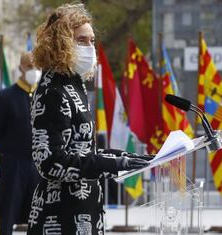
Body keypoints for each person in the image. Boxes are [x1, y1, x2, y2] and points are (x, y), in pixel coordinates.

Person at [28, 4, 152, 234]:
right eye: (82, 40)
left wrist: (131, 159)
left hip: (85, 212)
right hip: (60, 216)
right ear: (60, 45)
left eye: (92, 40)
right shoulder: (52, 91)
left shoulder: (74, 85)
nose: (90, 47)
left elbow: (85, 152)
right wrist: (112, 165)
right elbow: (49, 162)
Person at [0, 52, 41, 235]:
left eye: (38, 67)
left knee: (39, 214)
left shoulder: (43, 96)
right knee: (7, 212)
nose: (35, 71)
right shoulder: (5, 97)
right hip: (12, 166)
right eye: (30, 66)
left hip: (37, 165)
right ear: (21, 68)